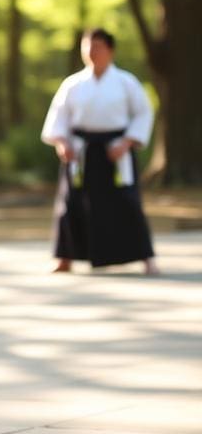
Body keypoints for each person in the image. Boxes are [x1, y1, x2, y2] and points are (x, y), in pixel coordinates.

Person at [42, 27, 159, 276]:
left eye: (97, 46)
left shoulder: (126, 82)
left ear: (110, 50)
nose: (91, 52)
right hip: (81, 150)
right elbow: (59, 118)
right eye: (87, 46)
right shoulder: (72, 84)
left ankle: (146, 258)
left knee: (127, 202)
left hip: (115, 150)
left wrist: (127, 142)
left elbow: (143, 113)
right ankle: (65, 257)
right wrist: (62, 142)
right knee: (71, 203)